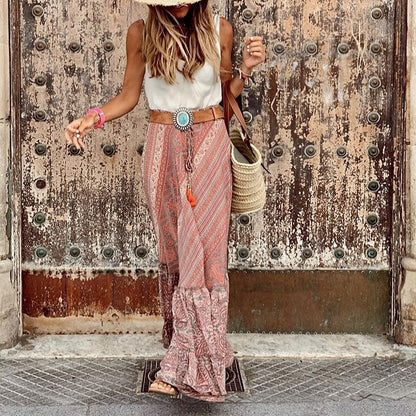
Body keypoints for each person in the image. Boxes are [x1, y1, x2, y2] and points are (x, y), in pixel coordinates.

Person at [64, 0, 265, 403]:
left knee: (203, 251)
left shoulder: (221, 30)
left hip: (209, 144)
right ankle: (197, 347)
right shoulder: (140, 33)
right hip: (162, 148)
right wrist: (92, 118)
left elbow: (225, 98)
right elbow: (128, 96)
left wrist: (244, 69)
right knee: (175, 251)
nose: (180, 4)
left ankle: (180, 365)